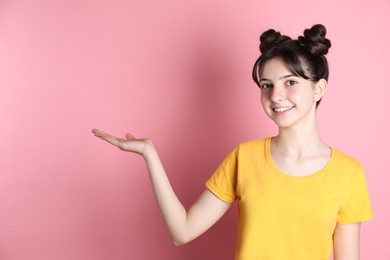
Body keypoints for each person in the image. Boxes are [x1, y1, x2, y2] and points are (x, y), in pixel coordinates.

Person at [92, 24, 373, 260]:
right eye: (266, 85)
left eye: (290, 82)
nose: (275, 95)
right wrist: (149, 154)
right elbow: (182, 231)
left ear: (318, 88)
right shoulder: (244, 158)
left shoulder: (348, 174)